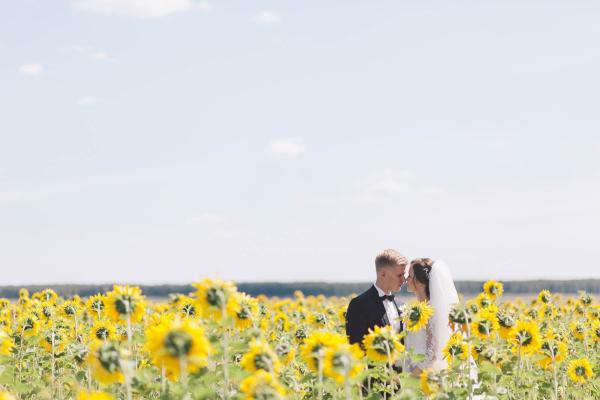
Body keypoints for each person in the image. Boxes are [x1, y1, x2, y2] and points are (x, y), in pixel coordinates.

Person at [404, 258, 460, 375]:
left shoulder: (431, 312)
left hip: (426, 375)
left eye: (409, 276)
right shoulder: (419, 309)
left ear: (419, 282)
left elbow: (433, 353)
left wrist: (413, 375)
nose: (405, 279)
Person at [345, 249, 407, 347]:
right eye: (399, 275)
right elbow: (355, 348)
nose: (403, 280)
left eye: (404, 275)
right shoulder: (359, 305)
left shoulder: (402, 305)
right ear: (383, 274)